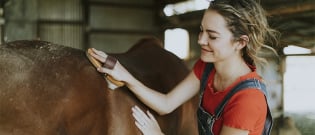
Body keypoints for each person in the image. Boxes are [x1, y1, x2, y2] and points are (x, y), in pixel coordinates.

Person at [88, 0, 280, 134]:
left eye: (212, 36)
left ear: (240, 42)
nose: (201, 40)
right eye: (201, 31)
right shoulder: (207, 68)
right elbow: (166, 104)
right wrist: (125, 75)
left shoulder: (247, 100)